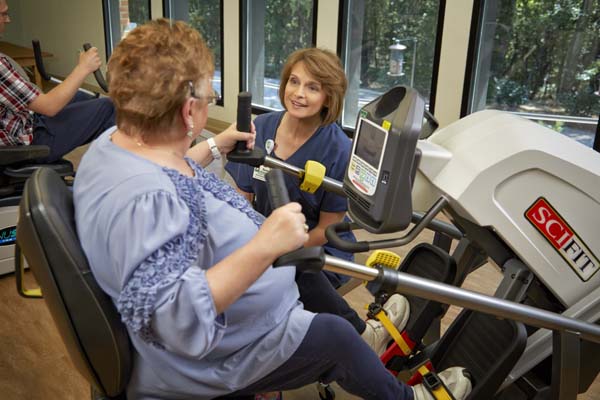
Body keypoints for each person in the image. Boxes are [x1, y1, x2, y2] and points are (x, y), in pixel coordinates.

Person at [74, 19, 471, 400]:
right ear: (187, 112)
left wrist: (215, 145)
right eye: (208, 96)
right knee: (334, 338)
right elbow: (178, 321)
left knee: (303, 274)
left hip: (255, 293)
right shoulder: (146, 200)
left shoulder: (117, 140)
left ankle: (360, 336)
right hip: (221, 352)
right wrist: (265, 245)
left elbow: (169, 166)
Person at [225, 47, 405, 355]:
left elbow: (326, 228)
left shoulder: (337, 148)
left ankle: (362, 335)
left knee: (290, 268)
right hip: (267, 238)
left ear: (328, 97)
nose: (298, 94)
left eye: (312, 87)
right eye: (293, 82)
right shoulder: (262, 127)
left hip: (318, 247)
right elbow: (244, 200)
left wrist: (275, 248)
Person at [0, 0, 114, 162]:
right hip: (25, 144)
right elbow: (49, 107)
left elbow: (34, 98)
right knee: (108, 107)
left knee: (82, 97)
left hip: (23, 120)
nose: (8, 20)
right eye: (3, 14)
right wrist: (83, 68)